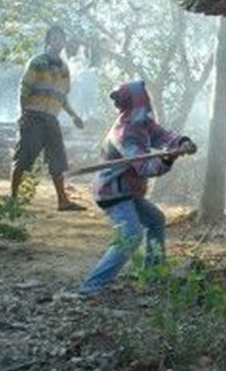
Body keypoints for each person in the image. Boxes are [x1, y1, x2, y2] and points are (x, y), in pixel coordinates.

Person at [79, 80, 196, 295]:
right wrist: (168, 159)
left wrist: (181, 142)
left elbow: (162, 135)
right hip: (113, 192)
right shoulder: (125, 132)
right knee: (131, 236)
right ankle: (91, 286)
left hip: (128, 191)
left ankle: (153, 274)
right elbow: (144, 167)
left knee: (155, 220)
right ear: (138, 101)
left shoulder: (142, 124)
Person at [10, 24, 86, 211]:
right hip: (33, 117)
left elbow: (62, 98)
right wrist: (22, 114)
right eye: (55, 38)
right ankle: (12, 199)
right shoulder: (37, 62)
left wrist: (74, 116)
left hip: (51, 119)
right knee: (23, 158)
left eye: (61, 39)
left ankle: (63, 201)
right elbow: (24, 89)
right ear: (48, 41)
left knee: (57, 161)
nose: (58, 42)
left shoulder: (64, 69)